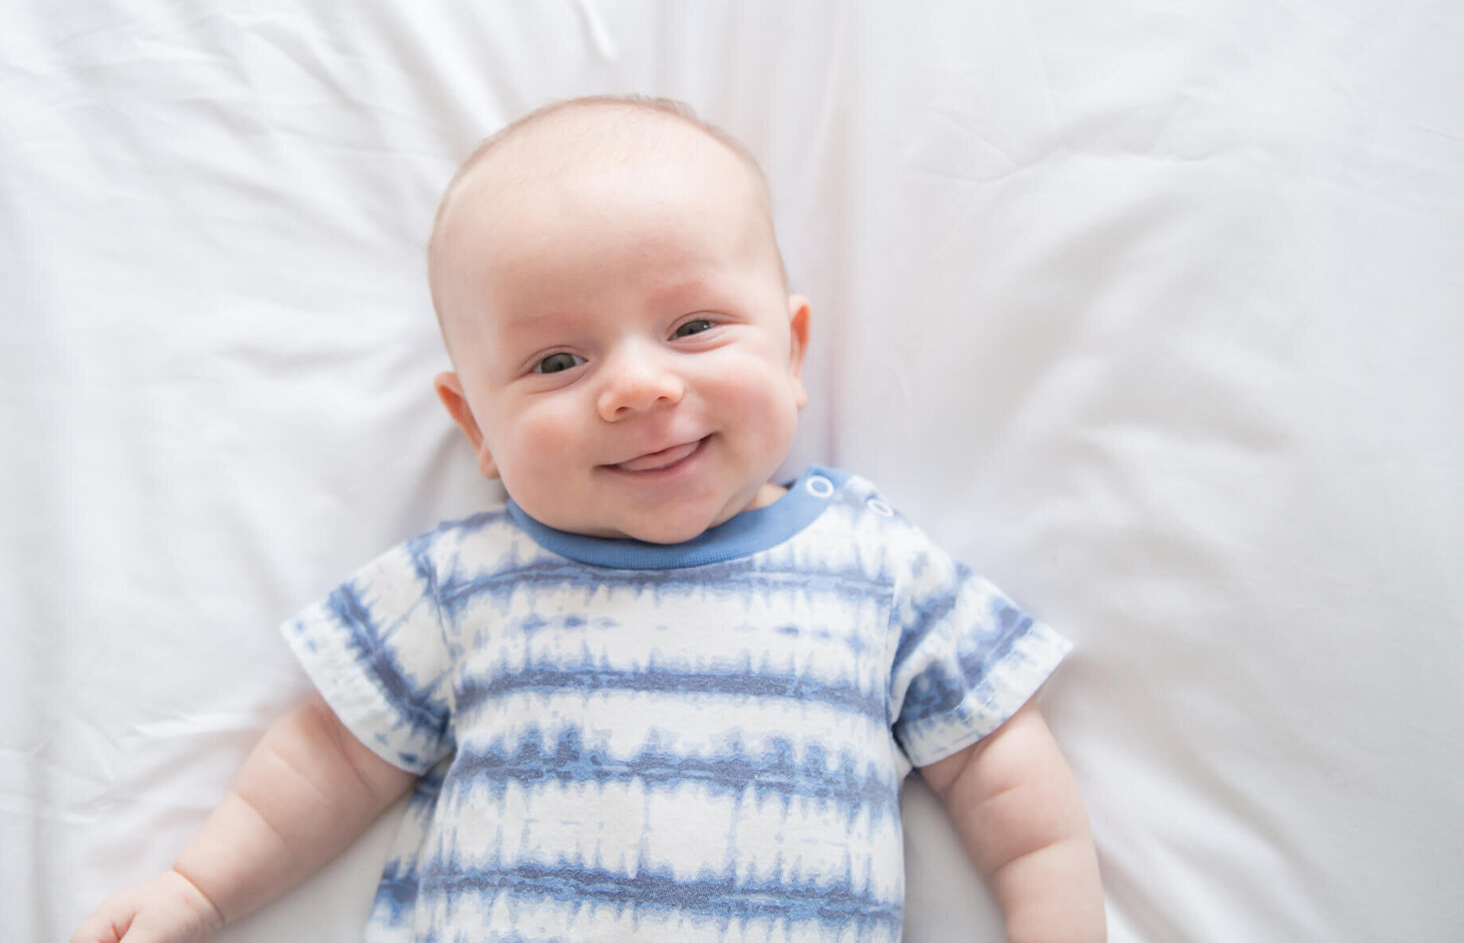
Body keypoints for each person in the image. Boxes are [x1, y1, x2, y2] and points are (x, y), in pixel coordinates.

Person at [73, 96, 1106, 943]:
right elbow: (331, 757)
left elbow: (1003, 775)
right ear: (474, 425)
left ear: (792, 355)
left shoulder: (876, 569)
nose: (638, 386)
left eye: (693, 326)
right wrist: (199, 891)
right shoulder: (464, 582)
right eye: (558, 362)